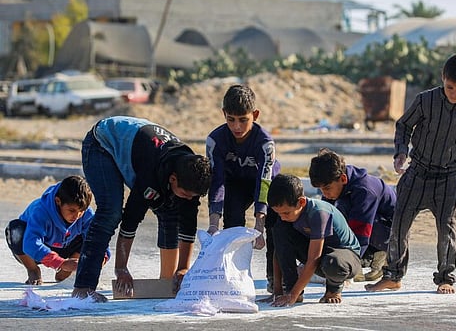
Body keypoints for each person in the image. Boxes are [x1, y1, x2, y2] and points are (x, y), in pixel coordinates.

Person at [366, 53, 456, 294]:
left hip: (449, 177)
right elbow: (404, 125)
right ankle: (393, 275)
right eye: (450, 87)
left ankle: (445, 278)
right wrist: (400, 153)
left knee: (446, 229)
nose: (454, 93)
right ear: (443, 79)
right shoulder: (425, 100)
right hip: (417, 172)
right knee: (399, 225)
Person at [72, 116, 211, 302]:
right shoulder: (150, 176)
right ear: (173, 179)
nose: (189, 199)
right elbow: (130, 221)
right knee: (110, 212)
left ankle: (168, 281)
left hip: (140, 146)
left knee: (172, 210)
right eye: (186, 193)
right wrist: (121, 269)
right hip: (102, 143)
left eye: (193, 196)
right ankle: (83, 286)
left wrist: (183, 269)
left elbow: (188, 226)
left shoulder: (191, 173)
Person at [206, 84, 280, 292]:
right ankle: (232, 278)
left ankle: (275, 279)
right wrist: (213, 223)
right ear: (224, 115)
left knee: (274, 226)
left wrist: (259, 223)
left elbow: (264, 181)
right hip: (235, 183)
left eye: (243, 120)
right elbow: (217, 181)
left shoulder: (265, 143)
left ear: (255, 115)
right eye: (231, 120)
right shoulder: (215, 140)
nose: (237, 127)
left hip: (265, 182)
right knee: (233, 221)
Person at [267, 174, 361, 305]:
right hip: (321, 256)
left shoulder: (319, 213)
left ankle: (333, 289)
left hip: (345, 257)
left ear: (301, 202)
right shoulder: (286, 215)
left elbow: (313, 259)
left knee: (333, 262)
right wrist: (278, 293)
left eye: (286, 213)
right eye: (279, 213)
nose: (283, 217)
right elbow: (279, 252)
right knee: (279, 231)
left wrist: (292, 295)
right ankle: (291, 289)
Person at [309, 148, 396, 282]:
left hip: (389, 232)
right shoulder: (336, 180)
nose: (324, 194)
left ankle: (381, 254)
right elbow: (325, 222)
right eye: (321, 190)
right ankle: (371, 256)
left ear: (343, 179)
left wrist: (345, 267)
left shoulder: (365, 191)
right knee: (332, 213)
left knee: (342, 209)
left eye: (326, 189)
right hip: (366, 225)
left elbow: (361, 231)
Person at [5, 175, 107, 285]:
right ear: (58, 201)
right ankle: (33, 270)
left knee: (93, 238)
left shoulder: (86, 214)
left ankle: (68, 269)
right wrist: (61, 263)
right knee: (15, 231)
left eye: (81, 211)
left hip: (67, 246)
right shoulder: (40, 211)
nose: (77, 216)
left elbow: (99, 239)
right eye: (72, 210)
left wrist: (100, 259)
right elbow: (30, 244)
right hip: (35, 250)